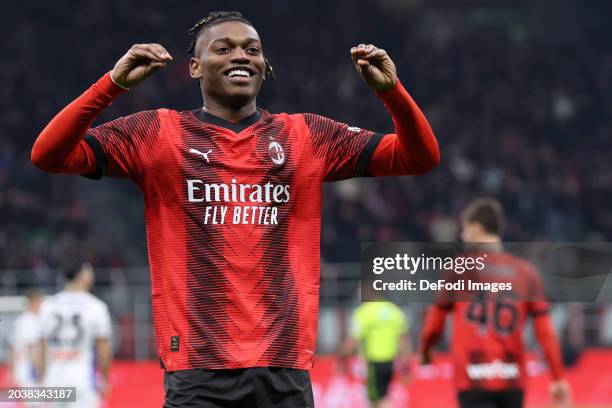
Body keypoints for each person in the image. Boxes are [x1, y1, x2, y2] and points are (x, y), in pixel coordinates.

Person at [31, 10, 439, 407]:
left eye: (252, 49)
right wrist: (112, 84)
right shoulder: (156, 134)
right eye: (223, 49)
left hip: (283, 368)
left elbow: (419, 158)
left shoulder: (307, 135)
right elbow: (48, 155)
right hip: (196, 369)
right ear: (194, 67)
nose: (241, 56)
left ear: (264, 65)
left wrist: (391, 92)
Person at [418, 198, 572, 408]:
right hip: (512, 379)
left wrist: (426, 352)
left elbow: (434, 324)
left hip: (472, 379)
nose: (462, 236)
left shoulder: (458, 269)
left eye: (465, 229)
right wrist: (558, 378)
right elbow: (545, 332)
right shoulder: (526, 272)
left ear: (476, 228)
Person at [38, 262, 112, 408]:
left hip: (54, 380)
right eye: (90, 271)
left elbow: (41, 347)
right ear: (82, 275)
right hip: (82, 380)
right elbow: (103, 348)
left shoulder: (48, 305)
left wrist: (42, 379)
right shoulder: (96, 306)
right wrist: (104, 378)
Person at [339, 292, 412, 408]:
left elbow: (352, 341)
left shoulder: (364, 312)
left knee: (378, 400)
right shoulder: (394, 311)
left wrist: (342, 358)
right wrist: (407, 366)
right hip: (390, 362)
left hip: (373, 362)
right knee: (380, 397)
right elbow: (403, 341)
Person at [8, 289, 44, 390]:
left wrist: (13, 370)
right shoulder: (30, 321)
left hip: (21, 368)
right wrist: (40, 372)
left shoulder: (20, 320)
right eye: (40, 303)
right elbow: (31, 348)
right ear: (33, 303)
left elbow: (13, 348)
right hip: (30, 370)